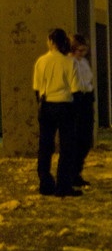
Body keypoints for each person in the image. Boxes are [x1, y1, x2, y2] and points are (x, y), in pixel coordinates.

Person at [33, 28, 83, 197]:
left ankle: (45, 183)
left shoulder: (41, 61)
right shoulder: (70, 63)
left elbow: (37, 88)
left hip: (47, 105)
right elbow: (76, 90)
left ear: (50, 41)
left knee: (45, 146)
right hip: (65, 105)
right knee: (67, 147)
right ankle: (63, 185)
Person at [69, 34, 94, 187]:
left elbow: (88, 81)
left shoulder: (83, 62)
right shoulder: (69, 62)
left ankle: (77, 170)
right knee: (76, 139)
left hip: (86, 98)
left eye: (85, 51)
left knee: (85, 139)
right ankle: (73, 173)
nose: (83, 53)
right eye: (80, 50)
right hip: (75, 99)